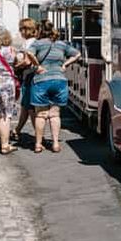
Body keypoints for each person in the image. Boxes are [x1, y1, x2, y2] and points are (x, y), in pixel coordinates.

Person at [28, 20, 81, 153]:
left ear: (39, 30)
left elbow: (29, 53)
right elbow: (77, 54)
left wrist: (37, 65)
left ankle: (38, 144)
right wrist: (64, 65)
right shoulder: (62, 44)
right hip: (59, 80)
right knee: (55, 114)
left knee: (41, 114)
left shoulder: (37, 43)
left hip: (42, 80)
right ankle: (56, 143)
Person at [12, 18, 39, 141]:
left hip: (29, 75)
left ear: (26, 30)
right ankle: (17, 129)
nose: (20, 32)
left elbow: (27, 61)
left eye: (21, 29)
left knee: (30, 107)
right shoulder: (35, 41)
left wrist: (15, 66)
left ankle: (38, 136)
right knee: (25, 106)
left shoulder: (28, 43)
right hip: (31, 75)